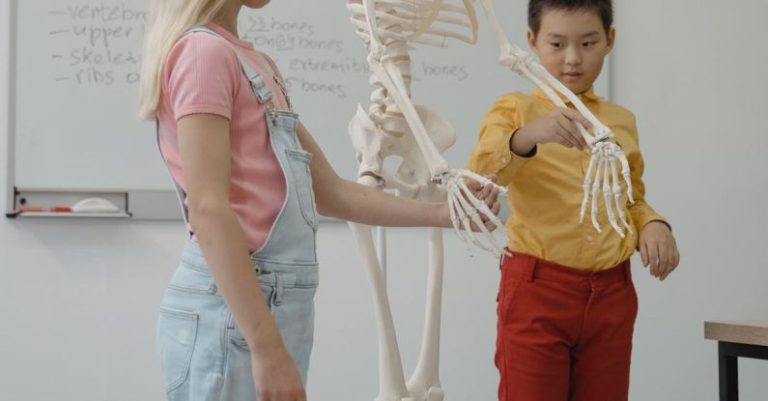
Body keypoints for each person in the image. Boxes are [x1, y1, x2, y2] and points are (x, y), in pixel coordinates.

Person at [137, 1, 500, 400]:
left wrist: (445, 214)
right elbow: (208, 209)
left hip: (269, 306)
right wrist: (266, 347)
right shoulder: (203, 55)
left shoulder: (255, 63)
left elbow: (330, 192)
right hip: (235, 311)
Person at [466, 1, 680, 400]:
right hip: (537, 290)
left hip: (612, 293)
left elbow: (630, 198)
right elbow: (481, 176)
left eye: (587, 42)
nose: (573, 59)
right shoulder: (515, 110)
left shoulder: (621, 121)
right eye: (557, 43)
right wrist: (527, 136)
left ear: (610, 40)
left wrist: (653, 223)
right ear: (532, 41)